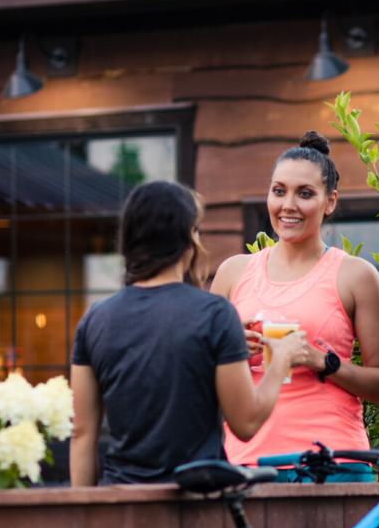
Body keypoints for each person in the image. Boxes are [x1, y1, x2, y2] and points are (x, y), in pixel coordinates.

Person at [70, 179, 296, 486]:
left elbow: (83, 435)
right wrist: (281, 358)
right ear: (188, 239)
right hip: (196, 503)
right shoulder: (214, 315)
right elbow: (246, 422)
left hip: (121, 504)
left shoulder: (95, 319)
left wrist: (85, 519)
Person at [210, 131, 379, 464]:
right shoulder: (233, 272)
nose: (288, 206)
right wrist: (229, 348)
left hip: (333, 464)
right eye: (279, 191)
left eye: (305, 194)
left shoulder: (355, 276)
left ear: (331, 201)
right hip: (247, 465)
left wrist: (321, 361)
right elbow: (201, 376)